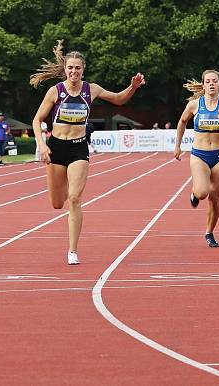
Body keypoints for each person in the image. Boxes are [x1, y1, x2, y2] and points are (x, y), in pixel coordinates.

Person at [31, 40, 145, 265]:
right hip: (56, 148)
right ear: (65, 69)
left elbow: (118, 99)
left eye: (78, 68)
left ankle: (72, 250)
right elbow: (36, 120)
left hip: (78, 148)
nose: (74, 71)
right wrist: (42, 145)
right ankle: (63, 185)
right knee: (57, 203)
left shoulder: (91, 89)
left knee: (74, 199)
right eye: (70, 67)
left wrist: (132, 87)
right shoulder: (56, 92)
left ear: (83, 69)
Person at [173, 70, 219, 248]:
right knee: (203, 192)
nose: (211, 84)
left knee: (215, 198)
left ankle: (209, 232)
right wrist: (177, 146)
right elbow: (182, 122)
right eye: (208, 81)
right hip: (199, 155)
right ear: (203, 85)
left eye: (214, 81)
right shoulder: (195, 105)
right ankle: (195, 192)